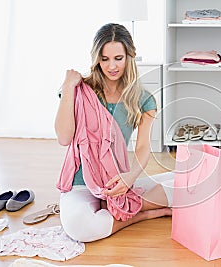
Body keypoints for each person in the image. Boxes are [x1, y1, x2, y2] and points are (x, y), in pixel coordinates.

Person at [54, 23, 174, 242]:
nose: (111, 66)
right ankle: (140, 214)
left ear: (129, 56)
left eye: (118, 58)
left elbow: (143, 146)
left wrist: (129, 178)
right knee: (80, 228)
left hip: (116, 183)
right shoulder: (80, 90)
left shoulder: (143, 99)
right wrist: (68, 86)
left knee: (190, 185)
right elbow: (64, 138)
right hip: (80, 184)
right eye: (104, 59)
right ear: (96, 58)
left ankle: (120, 205)